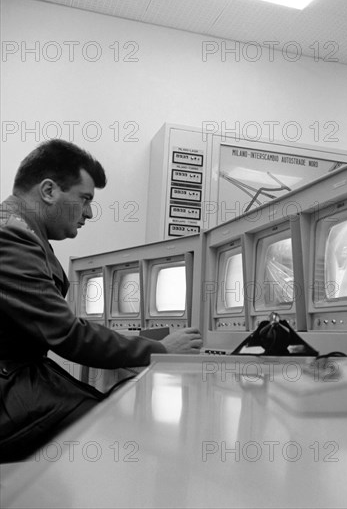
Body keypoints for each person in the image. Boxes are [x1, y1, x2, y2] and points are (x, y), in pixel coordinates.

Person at [0, 139, 202, 462]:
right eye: (85, 199)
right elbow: (67, 334)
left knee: (110, 406)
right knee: (109, 429)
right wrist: (161, 350)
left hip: (18, 375)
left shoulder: (20, 231)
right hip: (10, 387)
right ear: (49, 191)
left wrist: (136, 345)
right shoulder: (11, 237)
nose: (90, 212)